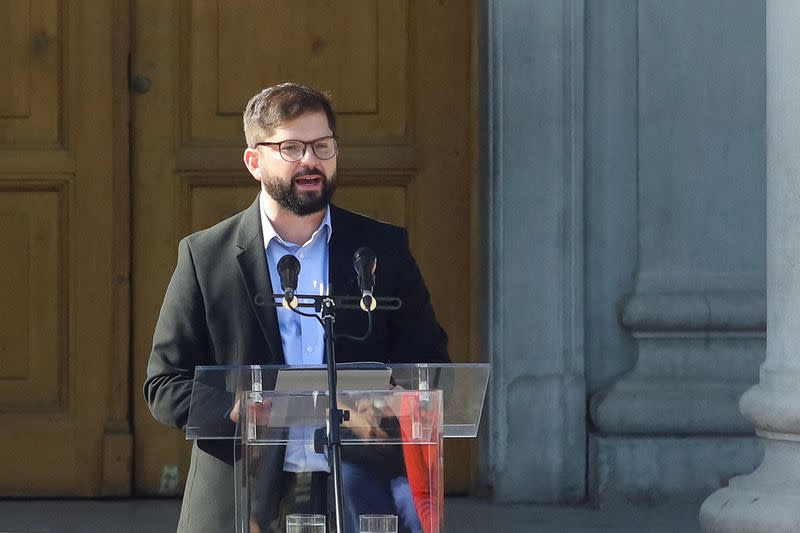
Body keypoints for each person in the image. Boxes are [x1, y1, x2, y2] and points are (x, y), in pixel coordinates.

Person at [144, 82, 449, 533]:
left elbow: (431, 366)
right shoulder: (206, 257)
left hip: (360, 493)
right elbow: (163, 385)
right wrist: (238, 409)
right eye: (291, 147)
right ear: (254, 161)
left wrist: (383, 403)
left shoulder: (382, 249)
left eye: (322, 145)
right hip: (241, 500)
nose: (311, 160)